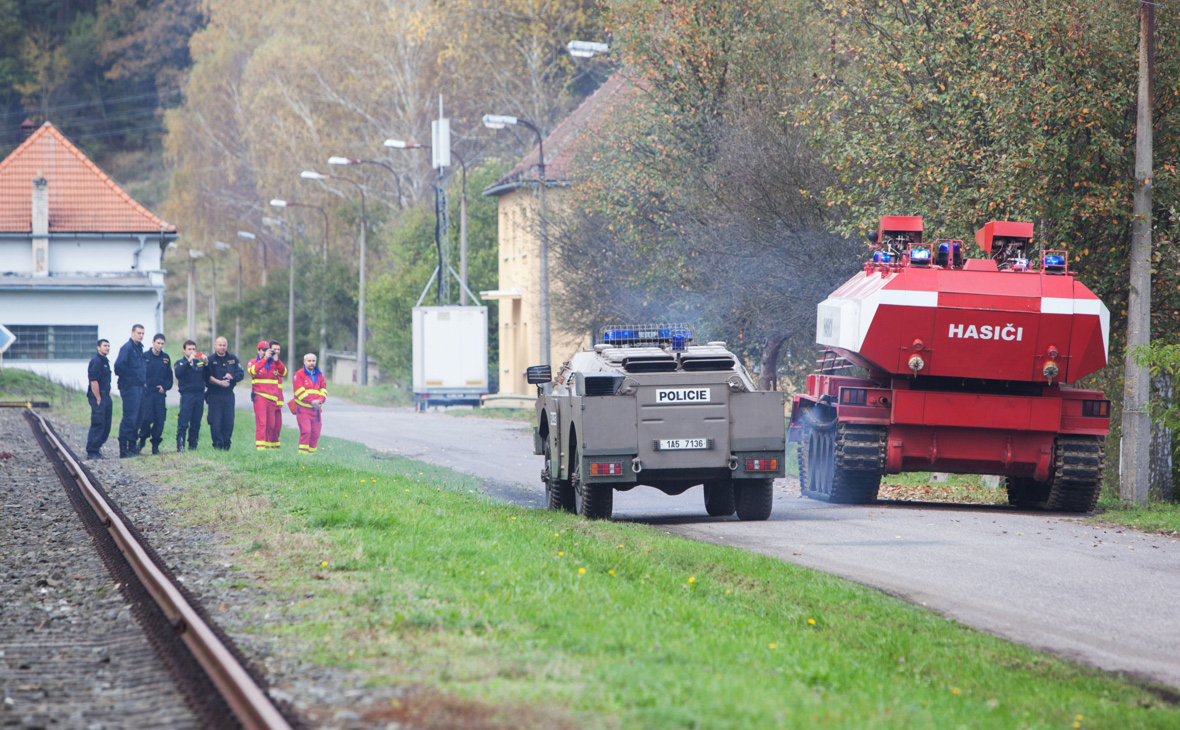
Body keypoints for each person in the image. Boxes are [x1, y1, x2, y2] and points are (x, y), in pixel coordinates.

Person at [136, 333, 173, 455]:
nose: (160, 345)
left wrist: (165, 387)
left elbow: (169, 378)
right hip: (147, 393)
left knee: (160, 420)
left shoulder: (166, 358)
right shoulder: (145, 356)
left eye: (162, 343)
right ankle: (141, 440)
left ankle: (155, 446)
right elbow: (139, 374)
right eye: (158, 343)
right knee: (146, 418)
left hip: (160, 394)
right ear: (153, 342)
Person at [205, 336, 244, 450]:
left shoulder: (232, 358)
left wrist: (232, 376)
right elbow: (207, 377)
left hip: (228, 395)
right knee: (216, 421)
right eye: (220, 345)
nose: (222, 347)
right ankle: (218, 444)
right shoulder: (210, 359)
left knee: (229, 420)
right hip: (215, 394)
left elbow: (241, 374)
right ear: (215, 345)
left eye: (224, 345)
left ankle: (227, 444)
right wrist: (219, 383)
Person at [113, 324, 146, 458]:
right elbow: (118, 367)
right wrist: (131, 378)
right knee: (129, 418)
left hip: (140, 387)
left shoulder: (139, 349)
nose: (141, 335)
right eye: (138, 333)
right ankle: (123, 449)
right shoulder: (127, 348)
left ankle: (132, 447)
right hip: (130, 387)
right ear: (132, 333)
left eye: (143, 333)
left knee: (138, 418)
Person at [247, 341, 284, 450]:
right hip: (260, 396)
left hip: (272, 398)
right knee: (261, 423)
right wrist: (264, 359)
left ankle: (267, 448)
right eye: (263, 350)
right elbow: (252, 371)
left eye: (266, 350)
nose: (265, 352)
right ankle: (260, 448)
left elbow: (283, 372)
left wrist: (278, 361)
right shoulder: (253, 362)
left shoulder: (274, 363)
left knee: (271, 425)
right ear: (258, 351)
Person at [174, 340, 207, 452]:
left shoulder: (199, 363)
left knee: (196, 421)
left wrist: (206, 363)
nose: (192, 351)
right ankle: (180, 444)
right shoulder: (181, 362)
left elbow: (207, 375)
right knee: (183, 420)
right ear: (184, 350)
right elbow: (178, 374)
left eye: (194, 349)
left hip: (199, 394)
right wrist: (189, 361)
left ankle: (193, 444)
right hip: (187, 394)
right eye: (189, 349)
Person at [293, 353, 327, 455]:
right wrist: (312, 401)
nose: (311, 363)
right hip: (303, 410)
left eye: (313, 361)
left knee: (315, 434)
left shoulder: (319, 375)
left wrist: (320, 400)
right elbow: (299, 392)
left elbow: (324, 390)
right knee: (306, 432)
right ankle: (303, 456)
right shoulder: (298, 375)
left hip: (316, 411)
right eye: (309, 361)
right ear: (304, 362)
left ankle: (312, 456)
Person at [85, 339, 113, 459]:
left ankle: (97, 449)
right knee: (98, 422)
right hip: (98, 396)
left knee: (106, 424)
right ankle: (92, 451)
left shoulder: (105, 361)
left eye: (108, 346)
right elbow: (94, 381)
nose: (107, 348)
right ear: (98, 347)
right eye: (105, 346)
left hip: (105, 395)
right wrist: (98, 398)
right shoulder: (96, 361)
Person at [265, 341, 287, 448]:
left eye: (278, 349)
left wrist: (277, 361)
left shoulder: (279, 364)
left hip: (278, 401)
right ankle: (267, 445)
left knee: (278, 426)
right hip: (269, 400)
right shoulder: (267, 364)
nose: (277, 351)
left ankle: (275, 446)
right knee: (269, 425)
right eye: (275, 349)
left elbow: (283, 372)